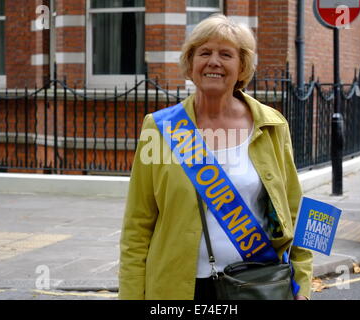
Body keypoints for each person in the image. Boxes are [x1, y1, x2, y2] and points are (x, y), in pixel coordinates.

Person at [119, 14, 312, 300]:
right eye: (204, 52)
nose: (213, 62)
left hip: (255, 283)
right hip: (177, 290)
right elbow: (137, 226)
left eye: (226, 54)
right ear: (190, 62)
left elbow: (295, 210)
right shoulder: (159, 129)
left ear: (242, 66)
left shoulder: (271, 125)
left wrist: (303, 286)